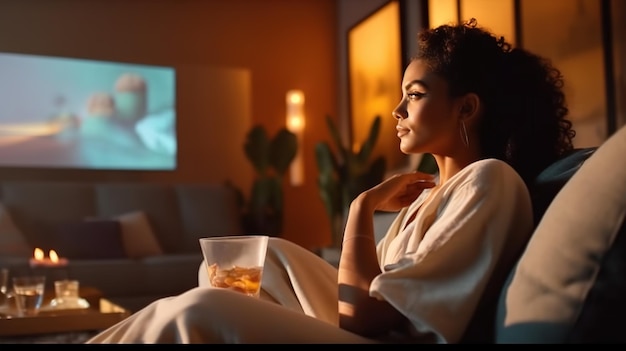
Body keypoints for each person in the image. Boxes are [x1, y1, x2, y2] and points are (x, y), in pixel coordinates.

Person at [86, 18, 575, 344]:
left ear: (466, 107)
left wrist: (361, 209)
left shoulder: (490, 182)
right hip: (359, 327)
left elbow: (364, 317)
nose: (398, 110)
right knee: (259, 258)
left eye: (416, 94)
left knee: (197, 311)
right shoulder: (426, 195)